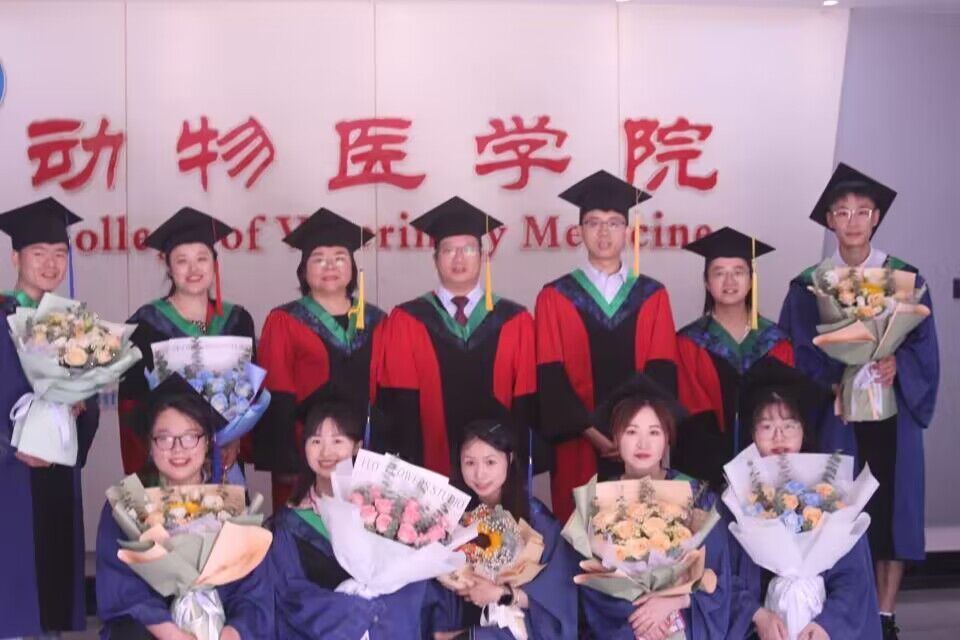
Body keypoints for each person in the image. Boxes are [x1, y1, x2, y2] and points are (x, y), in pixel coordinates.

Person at [779, 163, 939, 639]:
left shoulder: (904, 277)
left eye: (862, 211)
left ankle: (885, 616)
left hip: (892, 416)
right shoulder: (809, 284)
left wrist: (897, 365)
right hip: (839, 417)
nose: (853, 221)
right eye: (843, 212)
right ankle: (843, 614)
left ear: (876, 218)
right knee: (839, 512)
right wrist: (834, 382)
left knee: (892, 511)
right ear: (830, 220)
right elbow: (796, 350)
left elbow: (923, 346)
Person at [536, 170, 678, 521]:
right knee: (580, 531)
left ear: (628, 231)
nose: (604, 232)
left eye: (614, 223)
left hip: (641, 447)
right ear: (579, 230)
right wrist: (594, 434)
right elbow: (550, 377)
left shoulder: (653, 295)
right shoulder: (555, 296)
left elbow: (662, 371)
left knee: (647, 531)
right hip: (578, 445)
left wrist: (633, 435)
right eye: (594, 223)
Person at [95, 374, 272, 639]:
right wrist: (172, 634)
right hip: (152, 630)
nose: (178, 449)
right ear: (150, 445)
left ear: (207, 441)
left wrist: (233, 632)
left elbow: (252, 588)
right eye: (164, 438)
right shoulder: (127, 505)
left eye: (190, 437)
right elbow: (122, 588)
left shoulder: (231, 503)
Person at [377, 197, 542, 477]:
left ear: (483, 256)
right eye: (448, 250)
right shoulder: (407, 320)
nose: (458, 258)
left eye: (468, 249)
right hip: (429, 472)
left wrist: (516, 468)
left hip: (496, 478)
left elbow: (525, 403)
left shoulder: (516, 320)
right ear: (435, 259)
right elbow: (400, 405)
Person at [0, 197, 101, 638]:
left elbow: (89, 402)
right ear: (15, 258)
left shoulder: (73, 323)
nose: (50, 264)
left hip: (55, 474)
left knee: (51, 600)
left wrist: (80, 406)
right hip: (8, 475)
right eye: (38, 253)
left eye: (59, 254)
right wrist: (11, 449)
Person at [269, 391, 444, 639]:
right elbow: (290, 594)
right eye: (316, 441)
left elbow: (417, 585)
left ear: (357, 446)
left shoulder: (391, 510)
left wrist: (379, 610)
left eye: (337, 441)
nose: (326, 452)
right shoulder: (288, 523)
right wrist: (356, 611)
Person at [727, 360, 881, 640]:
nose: (779, 436)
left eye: (789, 425)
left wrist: (827, 625)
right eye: (767, 426)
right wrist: (758, 615)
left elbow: (854, 578)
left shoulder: (830, 492)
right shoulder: (736, 497)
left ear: (803, 431)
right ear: (752, 434)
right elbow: (724, 578)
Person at [579, 376, 730, 639]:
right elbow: (588, 584)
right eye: (631, 432)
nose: (643, 443)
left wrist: (674, 602)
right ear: (616, 437)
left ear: (667, 437)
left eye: (654, 432)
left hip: (684, 628)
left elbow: (718, 575)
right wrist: (641, 619)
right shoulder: (598, 501)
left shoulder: (697, 496)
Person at [256, 207, 387, 507]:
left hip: (365, 452)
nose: (330, 266)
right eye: (319, 259)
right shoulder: (285, 320)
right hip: (306, 454)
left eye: (340, 257)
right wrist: (285, 460)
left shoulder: (377, 320)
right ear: (304, 270)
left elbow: (385, 394)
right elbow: (277, 391)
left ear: (352, 267)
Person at [119, 207, 255, 478]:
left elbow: (251, 392)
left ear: (214, 264)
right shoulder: (145, 325)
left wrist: (236, 438)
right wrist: (160, 448)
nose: (193, 269)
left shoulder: (238, 320)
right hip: (170, 460)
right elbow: (131, 404)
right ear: (169, 268)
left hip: (224, 460)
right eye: (182, 261)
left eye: (202, 258)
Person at [430, 419, 579, 639]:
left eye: (490, 462)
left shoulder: (536, 520)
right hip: (463, 621)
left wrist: (502, 593)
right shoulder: (453, 516)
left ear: (509, 459)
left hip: (518, 627)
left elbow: (560, 600)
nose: (479, 474)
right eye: (470, 463)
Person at [674, 226, 793, 488]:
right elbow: (691, 412)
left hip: (768, 467)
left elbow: (785, 409)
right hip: (706, 468)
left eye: (738, 272)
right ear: (707, 282)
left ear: (751, 280)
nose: (729, 282)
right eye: (719, 273)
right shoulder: (688, 342)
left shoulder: (776, 341)